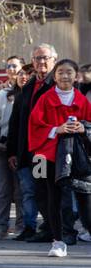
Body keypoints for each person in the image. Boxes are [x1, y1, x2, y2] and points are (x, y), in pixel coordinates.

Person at [27, 58, 91, 257]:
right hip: (48, 155)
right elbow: (34, 125)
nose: (65, 76)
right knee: (52, 198)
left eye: (69, 72)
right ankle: (58, 240)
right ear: (54, 76)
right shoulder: (45, 99)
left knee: (84, 196)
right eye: (61, 72)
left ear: (76, 76)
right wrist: (57, 129)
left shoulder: (82, 100)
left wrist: (83, 127)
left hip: (76, 156)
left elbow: (89, 124)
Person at [8, 44, 57, 243]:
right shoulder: (27, 86)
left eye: (45, 58)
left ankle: (53, 228)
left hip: (47, 149)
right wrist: (12, 151)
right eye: (37, 58)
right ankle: (34, 227)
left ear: (54, 59)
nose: (41, 62)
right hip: (27, 150)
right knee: (32, 190)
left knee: (47, 190)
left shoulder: (58, 84)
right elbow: (16, 121)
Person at [0, 56, 23, 239]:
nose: (12, 69)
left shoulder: (27, 94)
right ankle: (1, 226)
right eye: (8, 66)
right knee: (2, 189)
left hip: (21, 149)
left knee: (20, 190)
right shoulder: (1, 94)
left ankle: (21, 226)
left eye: (15, 66)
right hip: (2, 148)